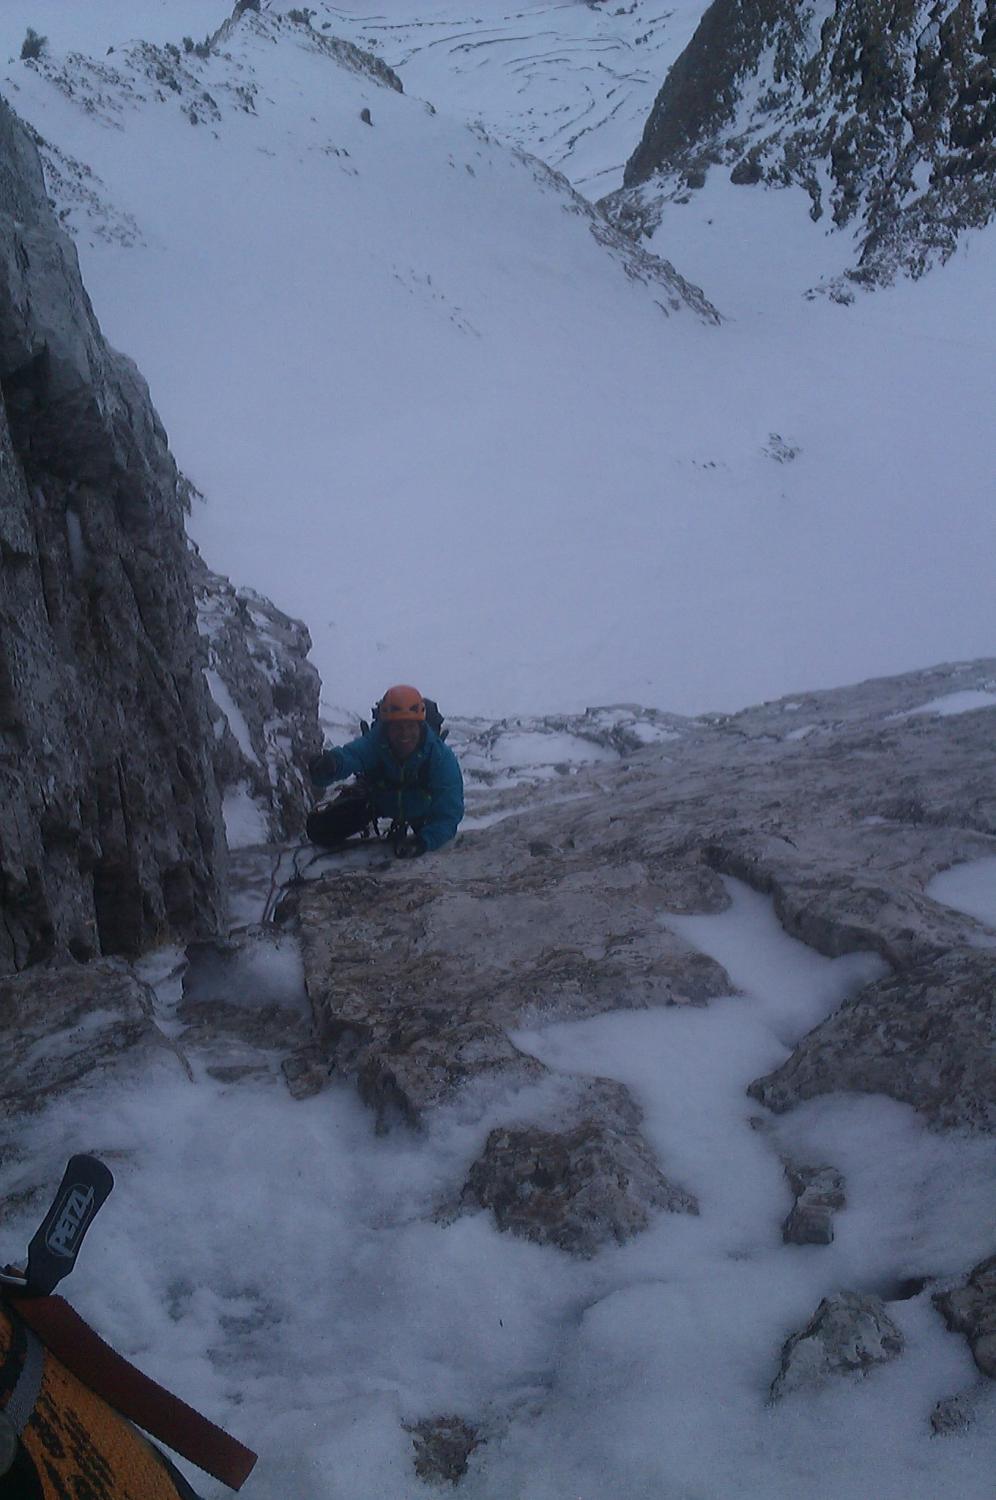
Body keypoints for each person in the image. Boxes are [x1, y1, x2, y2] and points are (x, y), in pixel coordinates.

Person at [307, 684, 464, 857]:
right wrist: (330, 766)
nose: (404, 734)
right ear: (386, 728)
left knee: (433, 838)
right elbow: (352, 756)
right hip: (379, 802)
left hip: (421, 810)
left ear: (421, 726)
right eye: (397, 727)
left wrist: (424, 841)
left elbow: (449, 814)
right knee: (319, 831)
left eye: (410, 726)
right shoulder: (375, 743)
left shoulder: (439, 756)